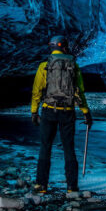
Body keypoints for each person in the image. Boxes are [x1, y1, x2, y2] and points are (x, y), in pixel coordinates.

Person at [31, 35, 93, 193]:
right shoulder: (74, 66)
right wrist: (86, 112)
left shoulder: (44, 66)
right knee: (69, 148)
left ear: (52, 48)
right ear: (64, 47)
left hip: (48, 111)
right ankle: (72, 186)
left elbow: (37, 91)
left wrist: (34, 112)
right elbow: (79, 92)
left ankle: (41, 185)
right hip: (67, 112)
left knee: (45, 147)